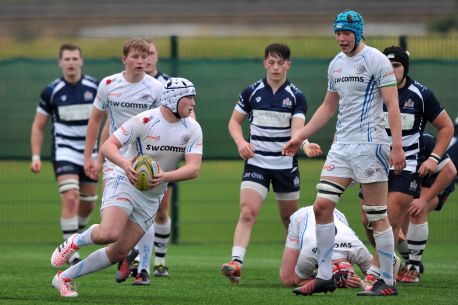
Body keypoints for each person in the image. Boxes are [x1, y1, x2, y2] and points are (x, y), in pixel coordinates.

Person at [282, 10, 406, 296]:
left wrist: (396, 146)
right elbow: (328, 107)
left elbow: (393, 105)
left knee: (376, 217)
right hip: (341, 148)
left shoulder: (376, 60)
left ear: (358, 33)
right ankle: (325, 275)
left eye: (346, 33)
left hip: (371, 146)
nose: (341, 38)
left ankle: (386, 280)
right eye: (337, 33)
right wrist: (300, 136)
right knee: (321, 207)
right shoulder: (336, 64)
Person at [50, 77, 203, 298]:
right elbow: (108, 145)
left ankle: (63, 278)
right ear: (173, 98)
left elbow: (194, 168)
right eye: (189, 97)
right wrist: (125, 164)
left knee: (120, 251)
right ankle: (74, 240)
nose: (193, 103)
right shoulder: (145, 120)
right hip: (124, 181)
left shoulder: (193, 129)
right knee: (109, 233)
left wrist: (164, 177)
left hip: (152, 196)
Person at [359, 46, 453, 287]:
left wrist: (433, 158)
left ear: (404, 68)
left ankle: (375, 274)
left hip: (406, 166)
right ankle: (399, 261)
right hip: (374, 164)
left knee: (389, 219)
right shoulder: (371, 92)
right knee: (368, 221)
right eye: (387, 65)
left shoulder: (421, 94)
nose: (391, 70)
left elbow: (446, 128)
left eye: (397, 65)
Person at [220, 43, 310, 285]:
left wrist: (303, 143)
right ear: (265, 63)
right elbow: (234, 123)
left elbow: (298, 130)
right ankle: (236, 263)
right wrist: (241, 142)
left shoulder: (296, 96)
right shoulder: (251, 92)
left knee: (290, 221)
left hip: (285, 166)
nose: (276, 67)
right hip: (256, 163)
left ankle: (303, 265)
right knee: (248, 212)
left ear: (288, 65)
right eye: (271, 62)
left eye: (281, 63)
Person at [81, 38, 164, 286]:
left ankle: (144, 269)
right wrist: (91, 156)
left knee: (144, 212)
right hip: (116, 159)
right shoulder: (108, 85)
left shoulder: (158, 88)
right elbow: (97, 121)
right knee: (112, 216)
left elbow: (165, 123)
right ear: (124, 59)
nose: (142, 61)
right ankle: (126, 253)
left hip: (147, 161)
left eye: (146, 56)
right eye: (136, 56)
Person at [30, 43, 99, 265]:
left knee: (88, 203)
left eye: (74, 58)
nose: (70, 63)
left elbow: (109, 118)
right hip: (65, 152)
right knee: (71, 198)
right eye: (66, 59)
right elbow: (38, 126)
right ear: (60, 62)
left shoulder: (95, 88)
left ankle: (73, 237)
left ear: (81, 61)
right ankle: (70, 251)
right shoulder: (51, 91)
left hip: (91, 152)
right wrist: (36, 157)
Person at [396, 133, 456, 283]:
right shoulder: (384, 142)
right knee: (395, 217)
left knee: (416, 208)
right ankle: (409, 260)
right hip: (413, 180)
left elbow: (450, 171)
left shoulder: (426, 140)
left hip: (437, 182)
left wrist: (423, 200)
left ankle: (413, 267)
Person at [280, 206, 372, 289]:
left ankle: (318, 273)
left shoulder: (358, 249)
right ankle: (317, 273)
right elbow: (297, 280)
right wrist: (332, 283)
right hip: (301, 217)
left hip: (336, 214)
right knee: (288, 279)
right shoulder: (309, 254)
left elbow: (378, 276)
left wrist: (360, 283)